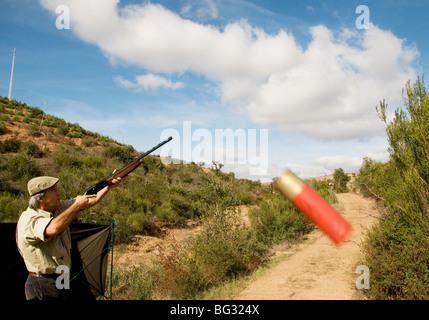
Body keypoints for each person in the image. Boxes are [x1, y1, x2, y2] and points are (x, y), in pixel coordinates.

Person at [16, 175, 121, 300]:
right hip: (43, 282)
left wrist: (108, 185)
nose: (59, 192)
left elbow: (88, 201)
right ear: (40, 198)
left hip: (62, 277)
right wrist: (76, 206)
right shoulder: (29, 219)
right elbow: (52, 229)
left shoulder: (56, 208)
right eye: (53, 190)